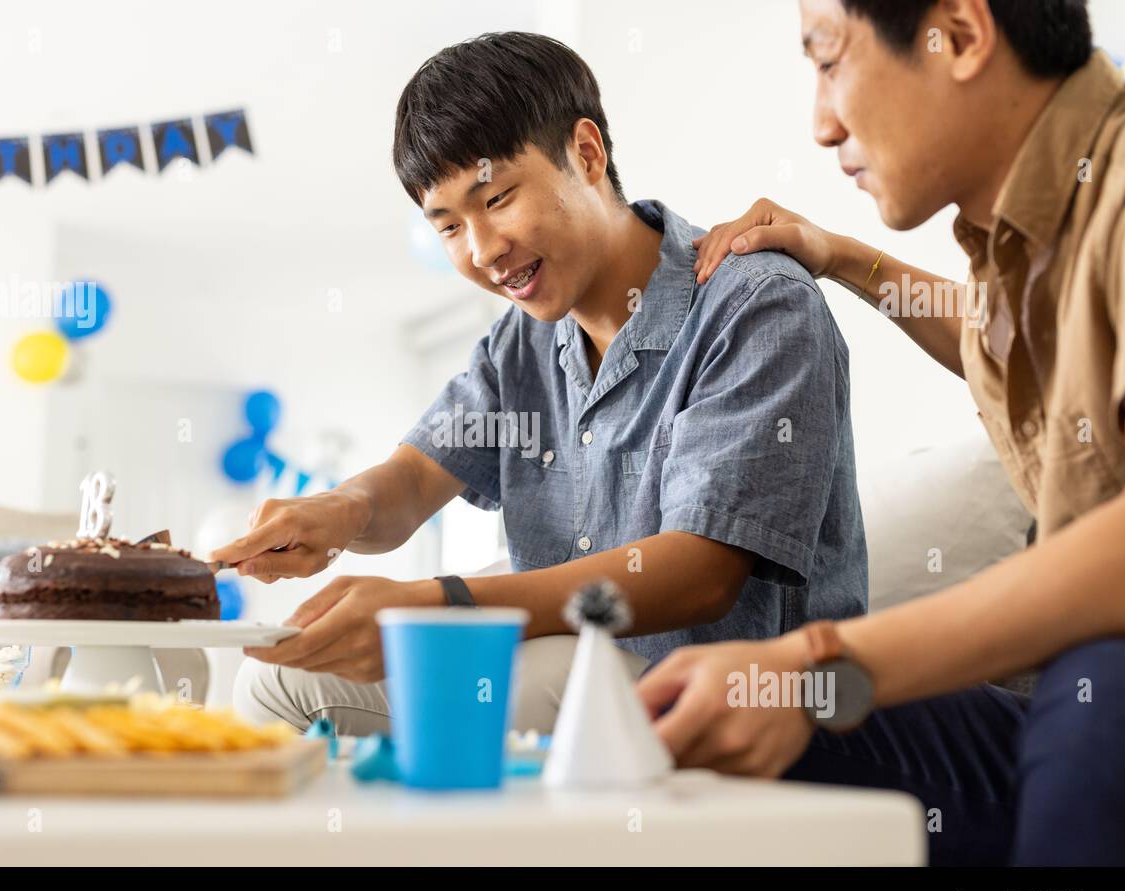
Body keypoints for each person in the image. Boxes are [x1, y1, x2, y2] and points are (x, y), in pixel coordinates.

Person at [213, 32, 867, 736]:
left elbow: (700, 573)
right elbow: (408, 484)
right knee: (275, 680)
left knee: (533, 676)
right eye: (449, 227)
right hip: (574, 688)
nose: (482, 250)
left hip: (750, 711)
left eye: (495, 198)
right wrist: (335, 513)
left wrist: (442, 605)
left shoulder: (755, 304)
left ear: (587, 155)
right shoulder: (518, 343)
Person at [643, 0, 1125, 865]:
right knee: (742, 732)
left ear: (963, 34)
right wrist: (840, 256)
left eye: (829, 61)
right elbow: (1001, 343)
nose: (823, 122)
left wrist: (820, 659)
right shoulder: (1037, 236)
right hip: (1079, 700)